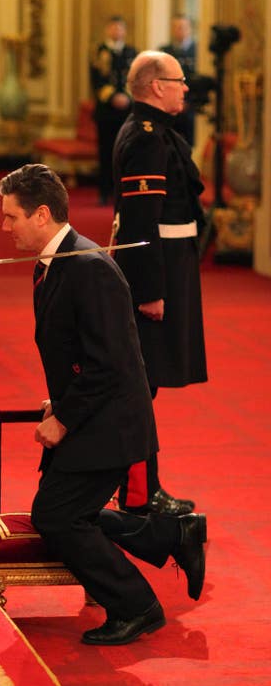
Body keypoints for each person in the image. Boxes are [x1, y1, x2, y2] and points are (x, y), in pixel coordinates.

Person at [0, 163, 206, 645]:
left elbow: (112, 366)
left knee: (57, 517)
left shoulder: (88, 268)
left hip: (111, 422)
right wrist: (61, 399)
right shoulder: (55, 262)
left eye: (11, 217)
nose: (5, 227)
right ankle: (173, 536)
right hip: (94, 410)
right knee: (70, 513)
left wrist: (64, 419)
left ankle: (137, 606)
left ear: (42, 214)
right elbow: (82, 353)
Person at [112, 50, 207, 516]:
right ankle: (138, 493)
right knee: (139, 386)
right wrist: (150, 291)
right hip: (158, 271)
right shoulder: (146, 138)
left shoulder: (156, 132)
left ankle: (141, 488)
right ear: (155, 86)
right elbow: (139, 224)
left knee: (144, 385)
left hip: (171, 266)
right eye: (178, 80)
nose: (185, 88)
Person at [90, 15, 136, 205]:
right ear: (108, 30)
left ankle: (124, 192)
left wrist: (126, 96)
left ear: (124, 31)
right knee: (105, 152)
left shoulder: (132, 52)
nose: (117, 31)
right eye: (113, 28)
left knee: (126, 152)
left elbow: (135, 77)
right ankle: (104, 192)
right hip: (106, 112)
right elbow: (96, 81)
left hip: (127, 112)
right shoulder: (98, 52)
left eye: (120, 28)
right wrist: (112, 97)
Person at [161, 14, 197, 145]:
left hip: (190, 108)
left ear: (190, 29)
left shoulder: (198, 51)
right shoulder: (164, 52)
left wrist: (187, 101)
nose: (179, 30)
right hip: (169, 109)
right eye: (176, 27)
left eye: (183, 27)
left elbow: (196, 81)